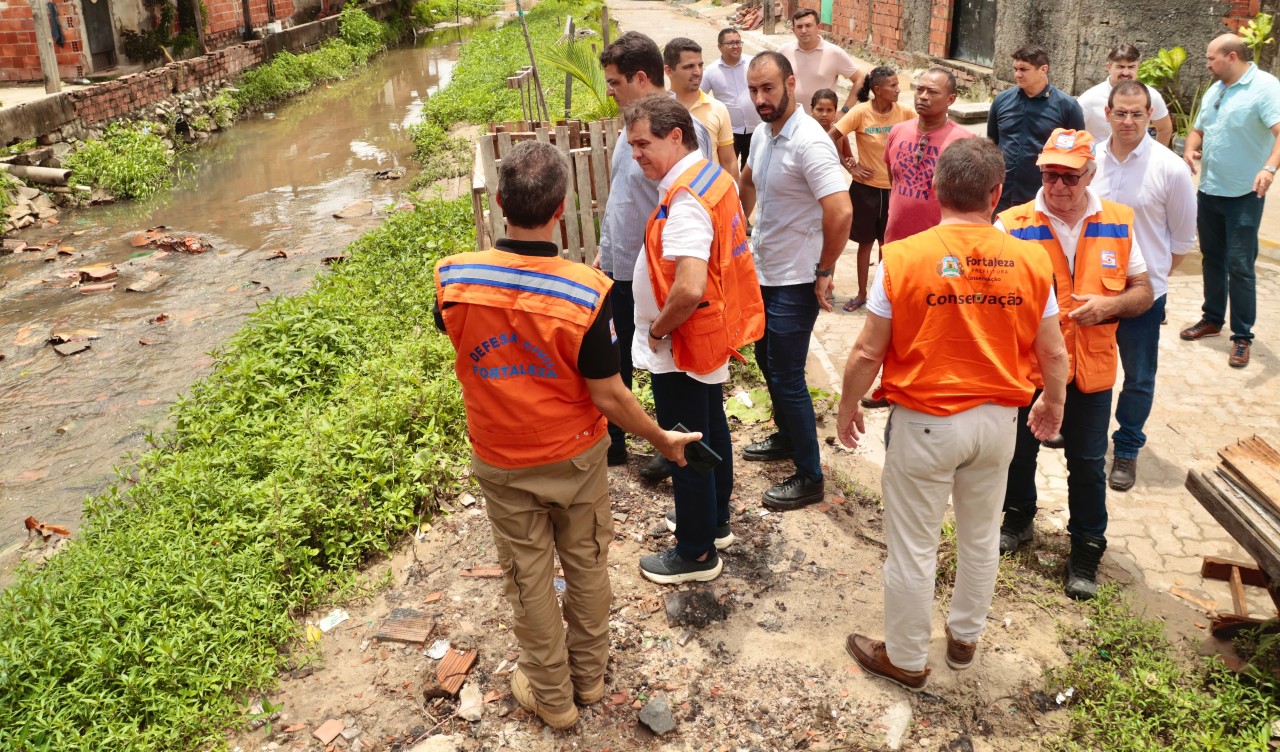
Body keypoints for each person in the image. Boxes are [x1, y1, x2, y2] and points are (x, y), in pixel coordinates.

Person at [433, 141, 701, 729]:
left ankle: (552, 700)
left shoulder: (453, 278)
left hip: (502, 461)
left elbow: (461, 344)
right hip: (576, 460)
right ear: (561, 208)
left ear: (501, 202)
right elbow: (608, 395)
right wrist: (661, 438)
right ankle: (590, 678)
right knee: (586, 565)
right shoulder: (587, 291)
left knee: (527, 578)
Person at [835, 138, 1068, 691]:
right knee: (981, 536)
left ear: (937, 189)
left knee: (914, 545)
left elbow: (868, 350)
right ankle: (964, 639)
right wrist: (1053, 402)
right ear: (995, 194)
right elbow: (1054, 351)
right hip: (998, 423)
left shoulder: (903, 257)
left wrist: (847, 408)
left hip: (925, 424)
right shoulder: (1034, 260)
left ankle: (909, 659)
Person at [994, 128, 1153, 601]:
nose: (1058, 186)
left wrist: (1109, 307)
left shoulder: (1120, 222)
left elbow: (1144, 293)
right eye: (1049, 174)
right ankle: (1018, 517)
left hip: (1089, 372)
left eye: (1069, 176)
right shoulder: (1012, 224)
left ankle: (1086, 547)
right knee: (1017, 454)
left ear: (1090, 173)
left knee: (1086, 465)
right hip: (1027, 371)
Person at [624, 94, 764, 584]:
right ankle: (713, 521)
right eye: (632, 144)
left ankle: (696, 552)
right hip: (710, 331)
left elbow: (687, 286)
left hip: (684, 338)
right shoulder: (712, 176)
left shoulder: (685, 198)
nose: (636, 153)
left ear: (675, 135)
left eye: (644, 143)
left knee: (683, 443)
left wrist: (656, 330)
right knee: (710, 427)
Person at [740, 51, 853, 510]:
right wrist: (738, 228)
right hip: (764, 270)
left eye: (768, 88)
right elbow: (747, 180)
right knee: (767, 359)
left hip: (796, 278)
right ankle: (787, 436)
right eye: (753, 90)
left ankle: (810, 476)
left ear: (790, 83)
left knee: (787, 375)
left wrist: (825, 271)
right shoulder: (768, 135)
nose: (760, 99)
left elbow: (841, 210)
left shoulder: (809, 140)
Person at [597, 31, 714, 476]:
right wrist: (605, 253)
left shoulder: (679, 131)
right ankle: (616, 442)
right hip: (618, 267)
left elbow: (693, 203)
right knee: (615, 357)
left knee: (667, 367)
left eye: (614, 83)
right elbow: (623, 201)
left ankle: (676, 448)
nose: (610, 92)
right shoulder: (634, 127)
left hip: (655, 276)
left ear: (640, 77)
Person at [1094, 80, 1197, 491]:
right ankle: (1080, 429)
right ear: (1108, 113)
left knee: (1138, 375)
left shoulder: (1169, 168)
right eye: (1121, 112)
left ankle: (1127, 448)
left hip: (1142, 295)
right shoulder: (1090, 160)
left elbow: (1182, 240)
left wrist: (1152, 280)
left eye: (1138, 113)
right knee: (1087, 366)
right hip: (1094, 288)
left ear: (1150, 116)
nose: (1129, 121)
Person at [859, 67, 974, 412]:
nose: (922, 96)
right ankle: (890, 384)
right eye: (919, 89)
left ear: (951, 99)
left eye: (932, 92)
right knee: (890, 318)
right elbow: (894, 179)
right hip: (895, 247)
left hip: (942, 252)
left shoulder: (964, 142)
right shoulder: (897, 132)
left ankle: (933, 384)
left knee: (938, 321)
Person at [1180, 33, 1280, 369]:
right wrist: (1189, 148)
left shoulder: (1265, 87)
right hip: (1210, 189)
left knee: (1240, 266)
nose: (1207, 64)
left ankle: (1241, 336)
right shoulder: (1216, 89)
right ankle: (1211, 319)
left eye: (1211, 58)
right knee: (1212, 257)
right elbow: (1198, 129)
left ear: (1233, 56)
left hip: (1244, 194)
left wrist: (1269, 168)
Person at [830, 66, 914, 311]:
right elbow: (831, 135)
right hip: (865, 189)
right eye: (893, 86)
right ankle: (861, 293)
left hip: (895, 190)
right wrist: (850, 166)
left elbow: (925, 134)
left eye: (898, 85)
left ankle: (883, 293)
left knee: (887, 245)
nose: (898, 90)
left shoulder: (906, 113)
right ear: (878, 90)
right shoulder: (860, 112)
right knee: (865, 243)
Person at [988, 45, 1086, 213]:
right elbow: (992, 144)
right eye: (1015, 69)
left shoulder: (1067, 107)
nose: (1017, 74)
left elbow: (1076, 155)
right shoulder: (1002, 101)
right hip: (1000, 194)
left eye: (1024, 69)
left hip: (1042, 196)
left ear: (1043, 70)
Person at [665, 37, 741, 181]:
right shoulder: (660, 111)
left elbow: (729, 161)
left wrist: (732, 199)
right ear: (669, 70)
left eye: (700, 65)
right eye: (689, 67)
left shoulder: (717, 109)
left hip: (709, 197)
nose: (697, 72)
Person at [1076, 44, 1174, 146]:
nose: (1126, 73)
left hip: (1140, 158)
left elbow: (1164, 129)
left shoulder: (1151, 96)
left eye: (1131, 67)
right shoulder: (1089, 99)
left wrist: (1155, 159)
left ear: (1138, 68)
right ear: (1109, 67)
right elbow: (1072, 134)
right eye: (1120, 67)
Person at [779, 7, 866, 116]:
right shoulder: (783, 52)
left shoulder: (834, 53)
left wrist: (844, 111)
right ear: (793, 30)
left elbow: (860, 79)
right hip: (790, 119)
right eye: (799, 27)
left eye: (808, 25)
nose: (804, 30)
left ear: (818, 27)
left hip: (822, 122)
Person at [701, 28, 761, 168]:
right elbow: (699, 96)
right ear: (720, 46)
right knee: (727, 170)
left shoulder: (753, 63)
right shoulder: (711, 71)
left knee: (754, 172)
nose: (736, 46)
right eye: (731, 43)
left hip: (756, 128)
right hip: (729, 133)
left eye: (738, 42)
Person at [811, 88, 854, 168]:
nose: (824, 114)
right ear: (811, 110)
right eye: (820, 110)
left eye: (829, 110)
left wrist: (851, 160)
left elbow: (848, 156)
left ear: (835, 112)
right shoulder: (804, 131)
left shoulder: (840, 133)